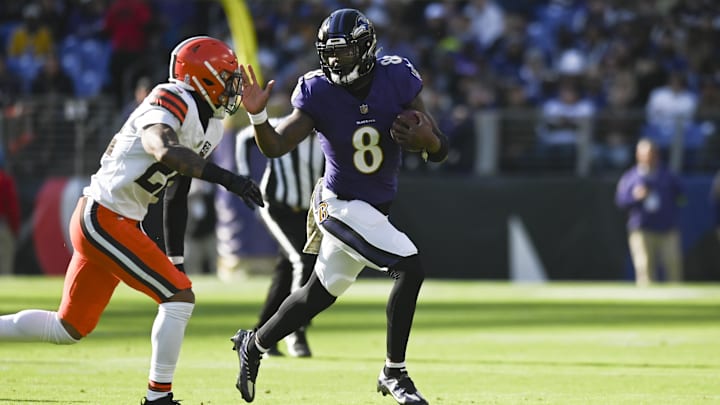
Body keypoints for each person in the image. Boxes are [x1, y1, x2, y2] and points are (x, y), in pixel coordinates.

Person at [0, 36, 264, 405]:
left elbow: (177, 191)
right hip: (103, 217)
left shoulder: (211, 126)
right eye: (227, 76)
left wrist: (175, 258)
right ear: (203, 78)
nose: (233, 85)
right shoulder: (171, 97)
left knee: (67, 327)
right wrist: (231, 179)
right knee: (179, 297)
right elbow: (164, 149)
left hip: (118, 221)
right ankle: (158, 398)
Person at [230, 9, 448, 405]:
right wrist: (258, 115)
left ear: (366, 50)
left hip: (373, 209)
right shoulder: (317, 90)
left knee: (318, 294)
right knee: (409, 265)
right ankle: (394, 372)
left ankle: (254, 344)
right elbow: (275, 146)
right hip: (337, 203)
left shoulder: (397, 78)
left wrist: (428, 141)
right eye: (328, 53)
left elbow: (440, 148)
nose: (334, 61)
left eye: (344, 53)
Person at [235, 115, 324, 357]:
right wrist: (244, 176)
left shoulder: (329, 128)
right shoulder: (283, 124)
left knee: (286, 271)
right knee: (303, 261)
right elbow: (244, 137)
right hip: (277, 206)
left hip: (309, 212)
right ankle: (295, 330)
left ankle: (262, 333)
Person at [615, 138, 685, 286]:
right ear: (638, 155)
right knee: (644, 267)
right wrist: (635, 197)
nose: (649, 157)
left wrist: (672, 208)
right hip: (642, 229)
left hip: (667, 228)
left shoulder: (668, 175)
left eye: (652, 154)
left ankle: (677, 303)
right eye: (645, 154)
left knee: (673, 265)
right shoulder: (631, 177)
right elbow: (621, 201)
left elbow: (682, 196)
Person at [0, 149, 21, 275]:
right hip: (2, 227)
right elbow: (13, 208)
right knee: (4, 267)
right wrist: (14, 229)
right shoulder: (5, 181)